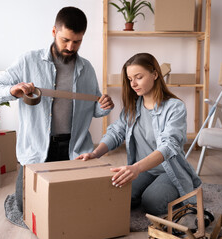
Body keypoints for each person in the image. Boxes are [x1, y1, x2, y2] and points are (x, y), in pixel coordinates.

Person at [0, 6, 114, 218]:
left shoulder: (87, 69)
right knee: (24, 207)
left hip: (74, 150)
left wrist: (103, 106)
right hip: (37, 150)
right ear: (54, 32)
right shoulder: (28, 61)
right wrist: (12, 90)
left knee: (79, 207)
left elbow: (95, 109)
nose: (71, 47)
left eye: (77, 41)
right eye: (65, 40)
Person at [76, 53, 201, 216]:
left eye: (138, 77)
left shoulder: (175, 107)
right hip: (144, 170)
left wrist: (135, 168)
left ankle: (184, 193)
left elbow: (169, 146)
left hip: (168, 170)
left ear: (155, 74)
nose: (133, 83)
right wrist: (95, 153)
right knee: (116, 193)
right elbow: (116, 132)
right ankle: (148, 190)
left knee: (152, 203)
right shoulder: (133, 106)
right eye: (129, 79)